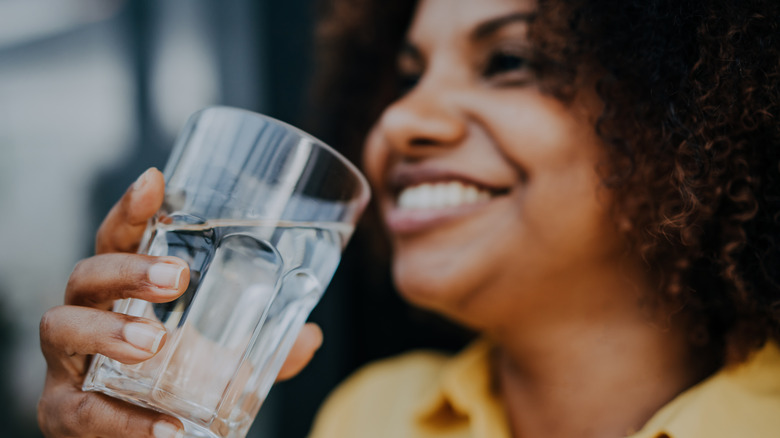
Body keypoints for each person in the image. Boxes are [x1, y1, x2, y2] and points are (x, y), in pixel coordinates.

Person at [39, 0, 780, 437]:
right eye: (406, 75)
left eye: (510, 61)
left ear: (685, 118)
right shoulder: (372, 414)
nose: (401, 119)